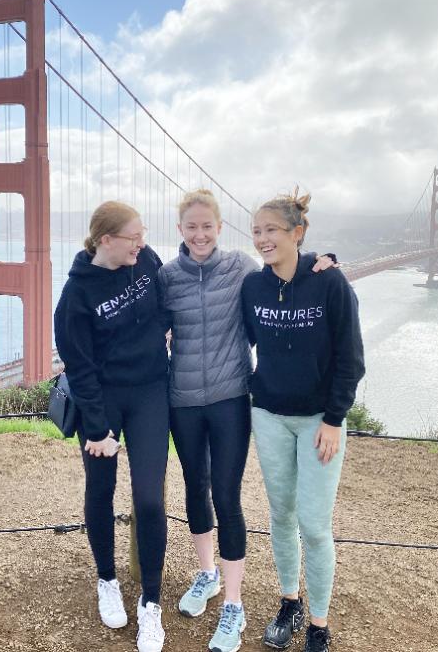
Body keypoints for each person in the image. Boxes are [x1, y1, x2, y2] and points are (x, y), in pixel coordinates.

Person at [159, 189, 336, 652]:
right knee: (194, 487)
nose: (199, 234)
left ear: (220, 228)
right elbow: (141, 316)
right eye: (190, 227)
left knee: (226, 494)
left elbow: (286, 273)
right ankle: (207, 575)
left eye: (207, 226)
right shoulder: (166, 276)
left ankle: (233, 606)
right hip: (182, 399)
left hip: (231, 397)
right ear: (180, 231)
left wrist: (322, 259)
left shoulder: (241, 268)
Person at [240, 189, 364, 652]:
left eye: (272, 230)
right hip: (269, 414)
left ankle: (318, 624)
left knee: (314, 524)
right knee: (281, 515)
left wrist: (334, 419)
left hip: (318, 421)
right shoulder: (253, 286)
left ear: (298, 232)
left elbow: (351, 358)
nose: (263, 239)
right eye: (256, 231)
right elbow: (248, 341)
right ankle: (289, 602)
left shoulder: (330, 282)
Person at [54, 200, 171, 652]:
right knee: (100, 490)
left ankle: (151, 605)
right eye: (133, 237)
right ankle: (107, 579)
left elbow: (166, 297)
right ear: (106, 240)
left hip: (148, 393)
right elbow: (79, 368)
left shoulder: (146, 261)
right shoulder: (75, 297)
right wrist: (98, 430)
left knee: (148, 497)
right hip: (101, 401)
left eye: (143, 235)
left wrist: (161, 330)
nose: (142, 244)